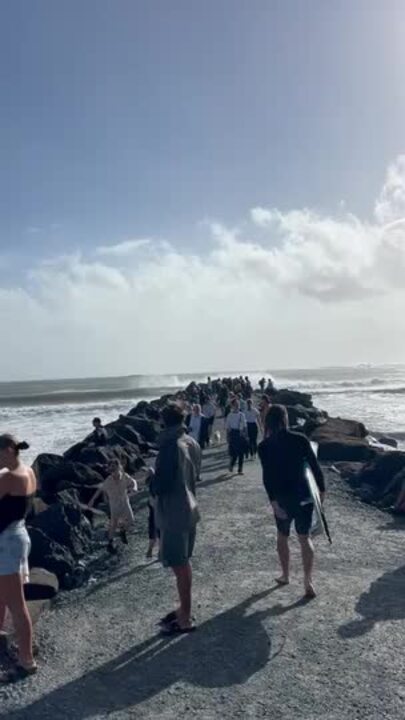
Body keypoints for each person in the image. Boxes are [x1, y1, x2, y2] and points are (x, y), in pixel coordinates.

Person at [258, 405, 326, 599]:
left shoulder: (264, 446)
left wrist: (273, 503)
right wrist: (322, 490)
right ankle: (308, 581)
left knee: (282, 535)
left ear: (268, 421)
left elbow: (267, 478)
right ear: (285, 419)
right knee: (305, 537)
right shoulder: (300, 439)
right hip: (304, 496)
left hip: (282, 499)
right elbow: (315, 467)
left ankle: (286, 575)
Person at [151, 402, 201, 634]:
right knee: (184, 562)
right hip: (190, 509)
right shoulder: (192, 443)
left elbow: (161, 485)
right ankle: (184, 611)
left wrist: (150, 479)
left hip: (174, 513)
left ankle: (185, 619)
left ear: (163, 421)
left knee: (180, 566)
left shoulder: (170, 447)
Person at [0, 434, 37, 682]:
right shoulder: (28, 471)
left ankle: (26, 661)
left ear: (10, 450)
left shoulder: (8, 477)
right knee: (2, 595)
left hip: (6, 542)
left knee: (16, 603)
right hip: (19, 534)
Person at [89, 460, 138, 553]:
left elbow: (133, 481)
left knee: (131, 521)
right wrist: (92, 500)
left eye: (114, 467)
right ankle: (110, 544)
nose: (113, 470)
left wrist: (134, 488)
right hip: (114, 505)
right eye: (111, 468)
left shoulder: (125, 476)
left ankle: (122, 531)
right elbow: (100, 490)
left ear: (118, 467)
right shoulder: (108, 480)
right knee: (113, 524)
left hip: (125, 503)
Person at [225, 398, 247, 475]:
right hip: (233, 434)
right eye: (235, 404)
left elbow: (245, 426)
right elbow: (228, 427)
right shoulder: (230, 415)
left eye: (238, 404)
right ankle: (232, 464)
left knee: (241, 453)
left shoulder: (242, 415)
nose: (237, 406)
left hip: (240, 434)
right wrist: (227, 436)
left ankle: (240, 469)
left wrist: (245, 435)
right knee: (234, 453)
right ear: (232, 406)